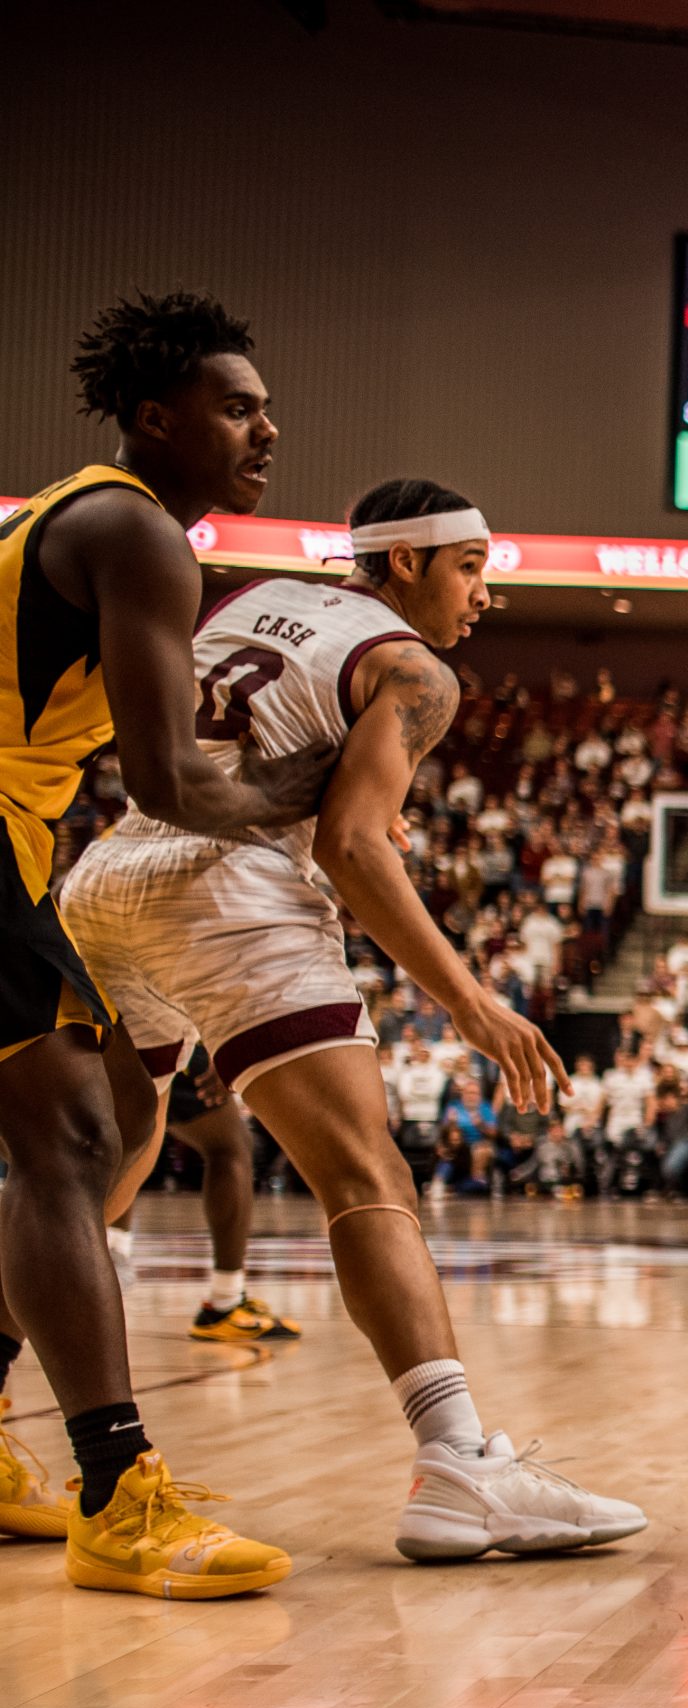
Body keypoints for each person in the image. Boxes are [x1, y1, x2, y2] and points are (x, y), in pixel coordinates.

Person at [61, 478, 645, 1562]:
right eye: (470, 567)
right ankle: (461, 1463)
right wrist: (473, 1004)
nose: (485, 595)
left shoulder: (254, 596)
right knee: (366, 1173)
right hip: (232, 892)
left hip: (108, 871)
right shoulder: (416, 671)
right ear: (407, 561)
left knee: (98, 1164)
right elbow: (353, 844)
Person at [0, 294, 335, 1597]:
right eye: (238, 406)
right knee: (72, 1140)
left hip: (18, 844)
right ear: (159, 418)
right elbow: (171, 784)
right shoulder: (137, 529)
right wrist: (309, 786)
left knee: (88, 1126)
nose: (266, 428)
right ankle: (116, 1488)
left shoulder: (92, 518)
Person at [105, 1048, 303, 1342]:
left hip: (113, 1025)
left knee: (129, 1136)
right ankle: (225, 1302)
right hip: (162, 1027)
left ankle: (110, 1254)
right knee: (229, 1146)